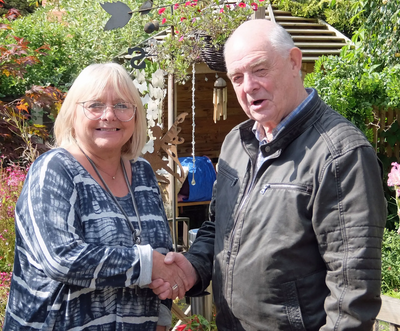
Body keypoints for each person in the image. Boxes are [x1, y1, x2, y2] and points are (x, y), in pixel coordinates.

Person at [150, 19, 387, 330]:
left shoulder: (340, 154)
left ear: (294, 62)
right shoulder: (237, 141)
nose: (248, 87)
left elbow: (352, 295)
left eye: (259, 69)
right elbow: (216, 229)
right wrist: (193, 267)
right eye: (237, 77)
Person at [4, 63, 191, 330]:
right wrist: (148, 265)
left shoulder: (142, 174)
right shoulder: (55, 169)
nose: (109, 115)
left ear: (136, 117)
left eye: (122, 106)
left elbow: (162, 254)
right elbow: (62, 259)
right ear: (73, 113)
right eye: (95, 105)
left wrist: (161, 319)